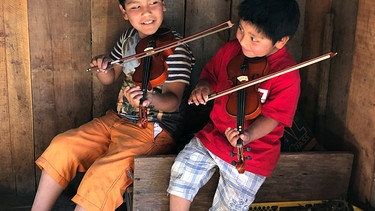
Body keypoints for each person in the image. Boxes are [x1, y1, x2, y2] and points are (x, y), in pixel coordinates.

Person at [31, 0, 194, 210]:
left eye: (153, 2)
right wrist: (102, 69)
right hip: (117, 119)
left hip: (152, 130)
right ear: (124, 12)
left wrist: (150, 99)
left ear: (163, 5)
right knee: (63, 146)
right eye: (136, 6)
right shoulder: (128, 39)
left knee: (102, 174)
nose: (146, 12)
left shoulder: (175, 49)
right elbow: (110, 77)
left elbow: (173, 102)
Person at [167, 0, 301, 210]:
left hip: (255, 152)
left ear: (281, 41)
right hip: (215, 135)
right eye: (241, 29)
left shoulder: (287, 75)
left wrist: (248, 136)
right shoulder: (231, 50)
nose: (243, 42)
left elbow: (274, 117)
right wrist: (204, 87)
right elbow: (210, 75)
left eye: (254, 39)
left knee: (232, 204)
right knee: (183, 169)